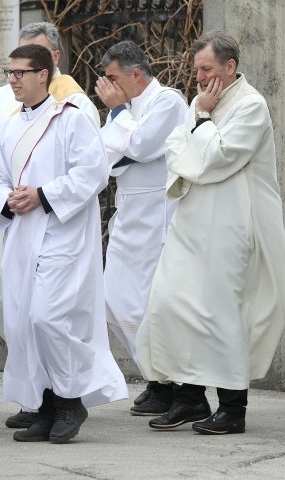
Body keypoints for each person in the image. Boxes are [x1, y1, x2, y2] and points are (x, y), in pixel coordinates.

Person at [135, 31, 285, 435]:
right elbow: (175, 149)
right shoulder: (200, 102)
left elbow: (219, 158)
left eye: (206, 69)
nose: (200, 77)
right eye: (196, 70)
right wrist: (199, 125)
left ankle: (232, 409)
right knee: (172, 303)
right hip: (192, 221)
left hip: (232, 225)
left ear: (229, 67)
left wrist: (202, 123)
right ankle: (189, 399)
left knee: (223, 313)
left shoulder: (251, 106)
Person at [0, 44, 127, 443]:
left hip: (64, 234)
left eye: (19, 72)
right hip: (23, 235)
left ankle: (70, 400)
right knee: (24, 321)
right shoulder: (9, 127)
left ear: (42, 74)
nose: (12, 79)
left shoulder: (71, 120)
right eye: (9, 72)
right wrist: (6, 200)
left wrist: (42, 195)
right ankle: (43, 406)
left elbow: (93, 173)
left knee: (48, 317)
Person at [94, 41, 186, 416]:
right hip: (128, 211)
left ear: (136, 74)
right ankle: (156, 376)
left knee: (149, 304)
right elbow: (107, 158)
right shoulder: (125, 109)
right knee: (112, 297)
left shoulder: (168, 101)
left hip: (156, 214)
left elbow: (144, 145)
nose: (109, 87)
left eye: (113, 78)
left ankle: (171, 384)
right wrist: (120, 121)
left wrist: (117, 115)